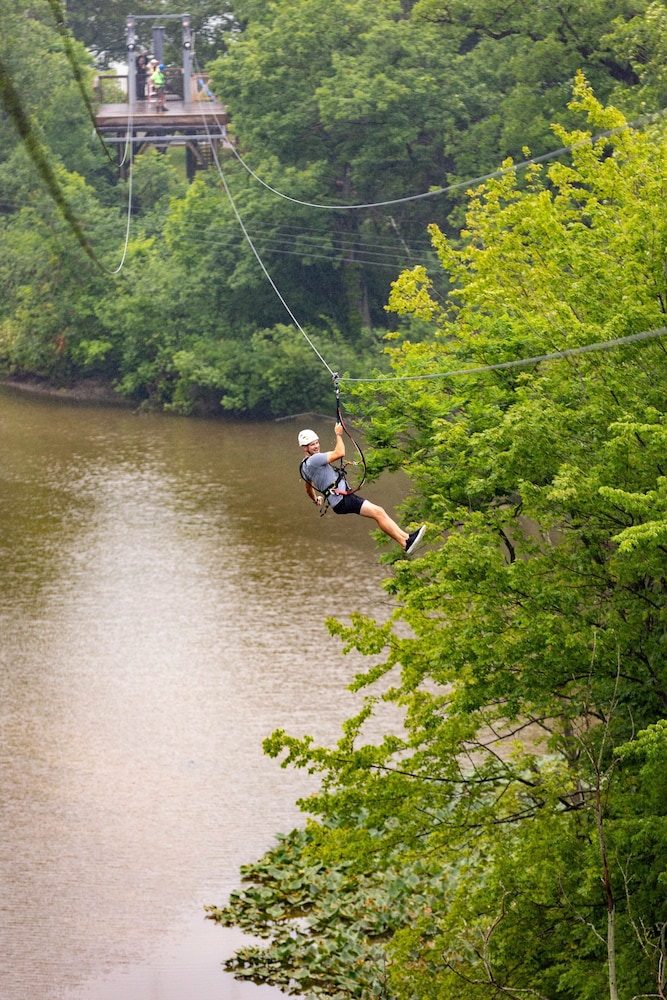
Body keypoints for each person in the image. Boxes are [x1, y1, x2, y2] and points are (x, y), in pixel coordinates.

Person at [298, 425, 426, 555]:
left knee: (379, 512)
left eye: (317, 443)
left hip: (339, 502)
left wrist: (315, 499)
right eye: (312, 445)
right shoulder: (315, 459)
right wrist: (338, 434)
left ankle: (406, 538)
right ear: (305, 448)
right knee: (378, 513)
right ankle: (405, 543)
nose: (316, 446)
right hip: (343, 499)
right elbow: (340, 453)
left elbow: (308, 488)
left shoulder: (304, 466)